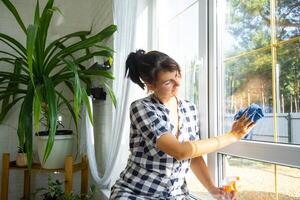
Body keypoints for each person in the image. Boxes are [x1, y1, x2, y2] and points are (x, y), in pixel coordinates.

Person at [110, 50, 254, 200]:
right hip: (137, 193)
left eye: (177, 75)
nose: (177, 83)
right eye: (168, 82)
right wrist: (233, 136)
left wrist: (212, 189)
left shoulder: (189, 108)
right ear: (151, 85)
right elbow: (181, 151)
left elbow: (193, 155)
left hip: (175, 195)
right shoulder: (141, 108)